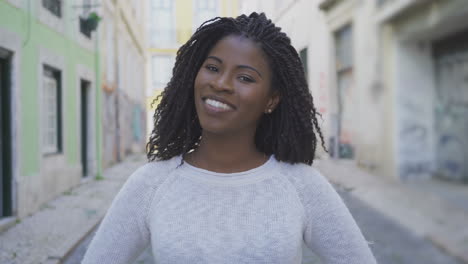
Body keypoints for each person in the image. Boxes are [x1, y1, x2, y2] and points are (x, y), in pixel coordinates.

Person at [82, 12, 376, 264]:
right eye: (212, 68)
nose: (220, 84)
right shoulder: (151, 184)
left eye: (245, 78)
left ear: (271, 100)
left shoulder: (301, 185)